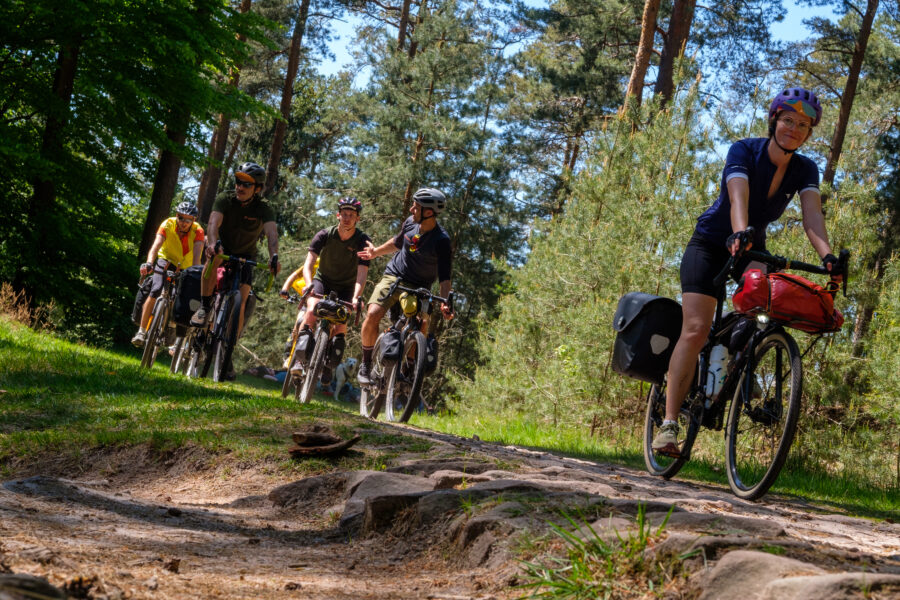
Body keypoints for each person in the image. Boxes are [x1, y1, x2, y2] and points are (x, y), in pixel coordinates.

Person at [651, 87, 842, 456]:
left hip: (752, 246)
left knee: (763, 303)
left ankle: (740, 361)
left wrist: (829, 256)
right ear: (774, 120)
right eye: (788, 119)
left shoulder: (805, 169)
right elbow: (738, 196)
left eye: (803, 124)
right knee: (695, 328)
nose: (794, 128)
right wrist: (738, 231)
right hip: (710, 243)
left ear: (808, 133)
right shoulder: (744, 150)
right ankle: (669, 426)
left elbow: (812, 216)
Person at [356, 188, 454, 385]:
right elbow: (398, 242)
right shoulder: (410, 223)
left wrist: (445, 302)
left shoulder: (441, 241)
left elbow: (444, 277)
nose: (411, 209)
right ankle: (366, 365)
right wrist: (375, 252)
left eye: (416, 207)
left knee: (422, 323)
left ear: (428, 212)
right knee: (373, 313)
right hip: (395, 276)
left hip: (420, 285)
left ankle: (410, 369)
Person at [191, 162, 281, 376]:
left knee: (241, 303)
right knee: (212, 265)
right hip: (222, 247)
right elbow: (213, 223)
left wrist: (274, 256)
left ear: (257, 189)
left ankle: (228, 348)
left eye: (246, 185)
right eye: (238, 182)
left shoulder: (263, 207)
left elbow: (272, 234)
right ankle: (204, 307)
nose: (240, 187)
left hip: (246, 256)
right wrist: (212, 244)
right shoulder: (226, 199)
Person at [280, 197, 371, 383]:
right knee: (313, 309)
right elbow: (308, 264)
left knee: (341, 322)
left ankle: (329, 363)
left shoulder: (363, 241)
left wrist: (356, 297)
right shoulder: (324, 235)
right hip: (322, 280)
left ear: (357, 219)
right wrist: (309, 284)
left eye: (351, 215)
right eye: (344, 214)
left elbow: (362, 274)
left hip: (347, 286)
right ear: (338, 215)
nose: (347, 218)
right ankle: (298, 361)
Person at [132, 201, 204, 347]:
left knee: (181, 296)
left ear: (193, 220)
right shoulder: (167, 224)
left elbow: (197, 257)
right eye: (181, 218)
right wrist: (149, 263)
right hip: (166, 260)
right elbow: (155, 246)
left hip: (186, 266)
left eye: (188, 219)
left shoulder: (198, 232)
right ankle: (141, 331)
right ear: (176, 216)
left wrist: (195, 273)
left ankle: (171, 326)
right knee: (156, 288)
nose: (184, 222)